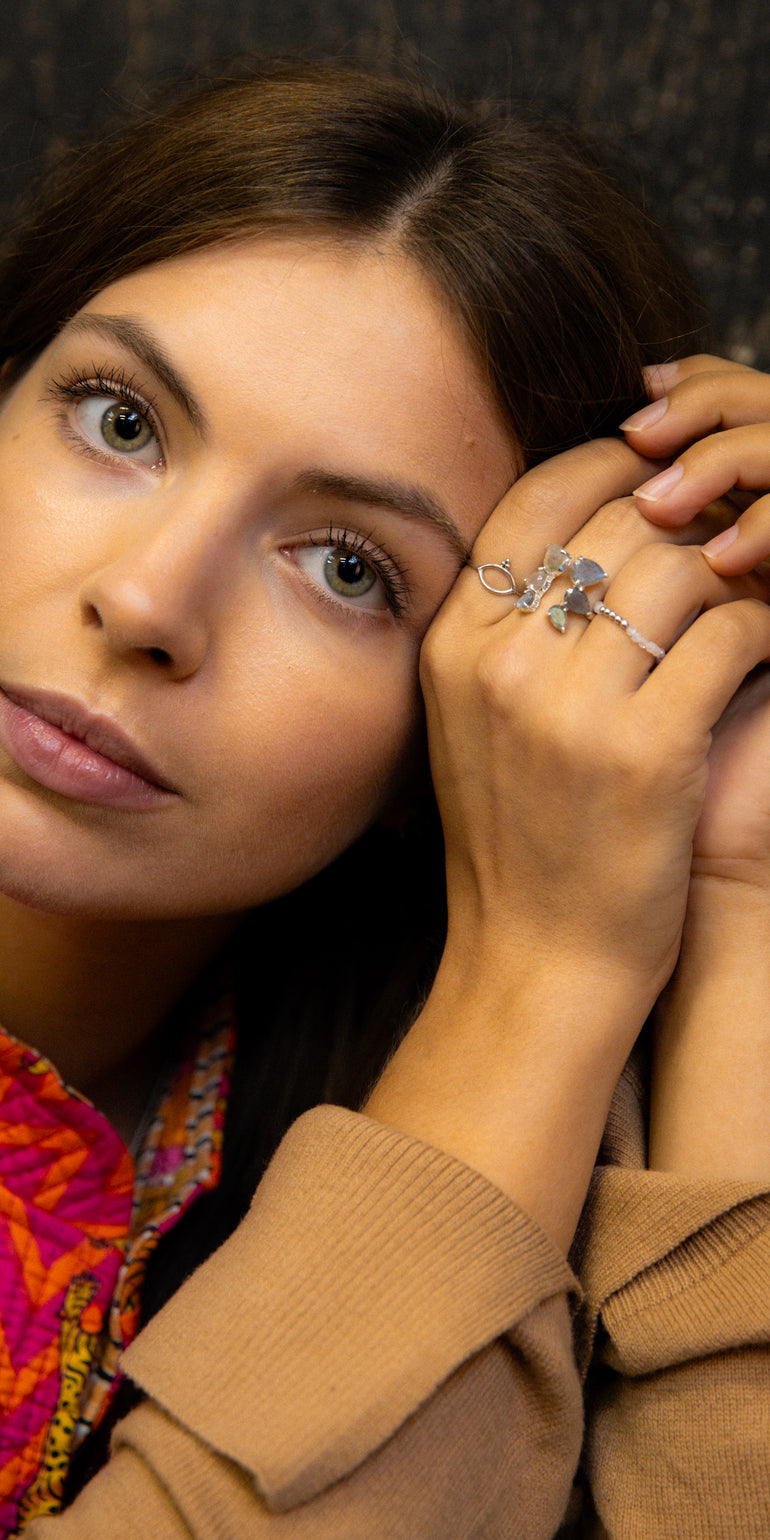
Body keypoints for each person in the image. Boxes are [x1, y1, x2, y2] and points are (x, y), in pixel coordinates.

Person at [0, 58, 765, 1537]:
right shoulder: (526, 1003)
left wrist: (734, 879)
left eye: (349, 568)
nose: (148, 599)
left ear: (472, 718)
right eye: (116, 420)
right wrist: (540, 968)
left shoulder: (487, 1108)